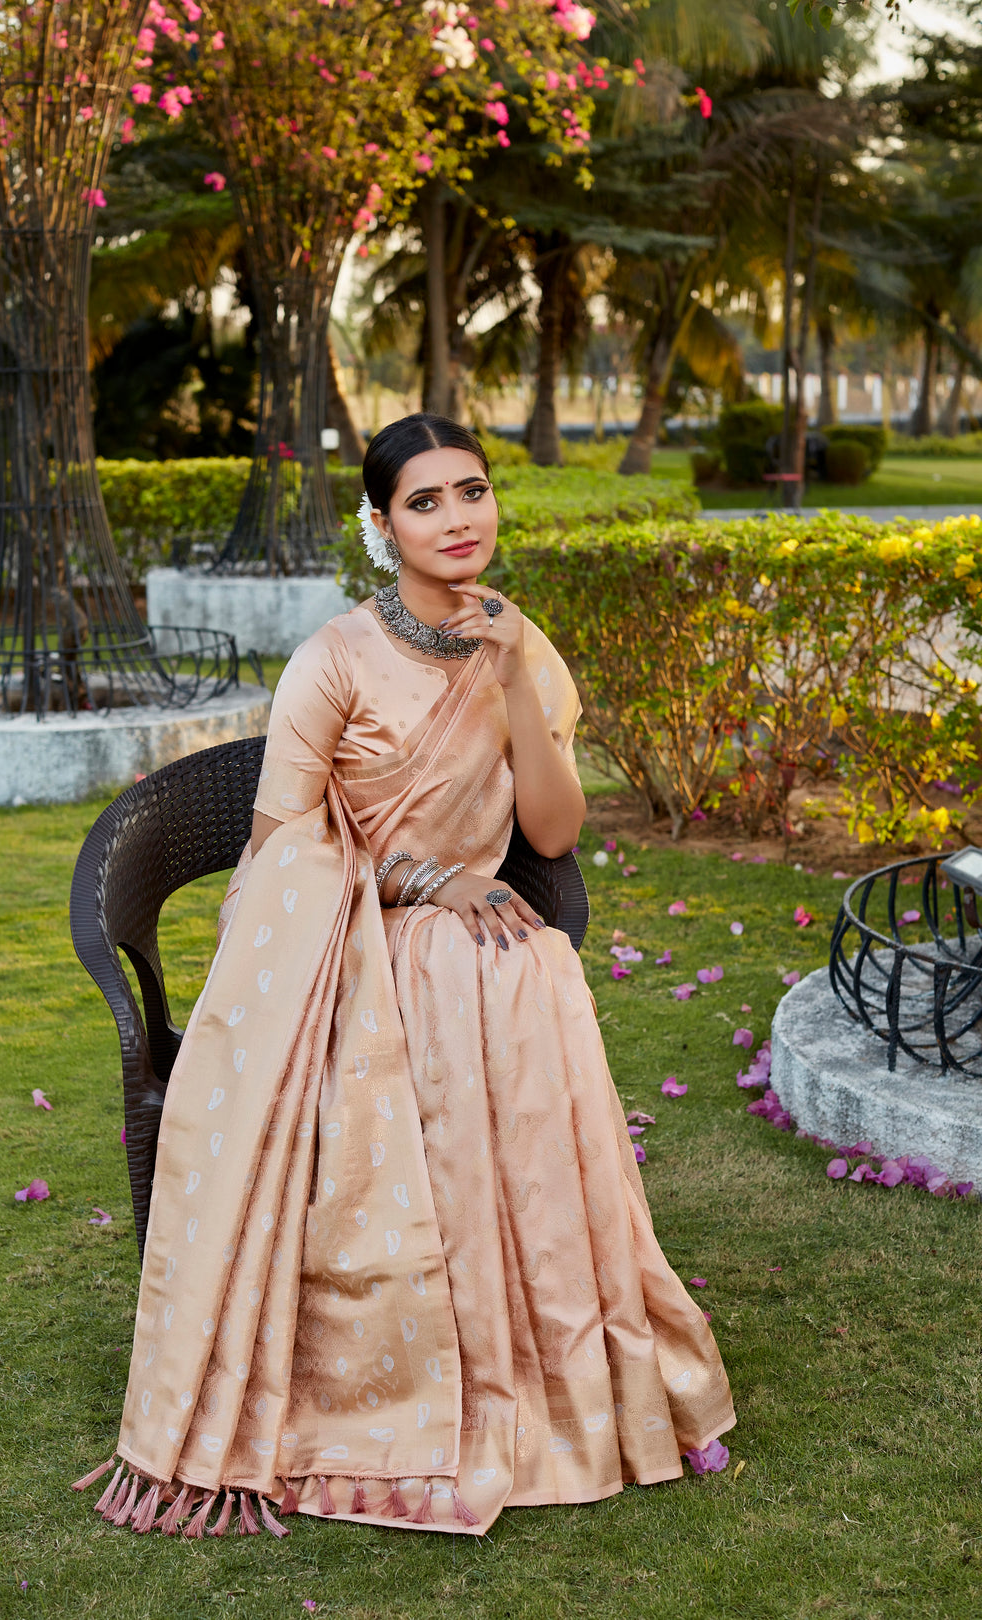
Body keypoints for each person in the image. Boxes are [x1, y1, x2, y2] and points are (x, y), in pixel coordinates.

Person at [72, 413, 735, 1540]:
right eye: (424, 503)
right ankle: (402, 1376)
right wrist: (426, 881)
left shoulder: (521, 641)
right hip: (342, 934)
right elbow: (280, 843)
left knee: (525, 970)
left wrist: (514, 666)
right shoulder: (332, 658)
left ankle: (534, 1362)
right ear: (382, 527)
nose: (456, 518)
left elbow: (555, 828)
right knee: (479, 970)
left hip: (472, 931)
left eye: (470, 492)